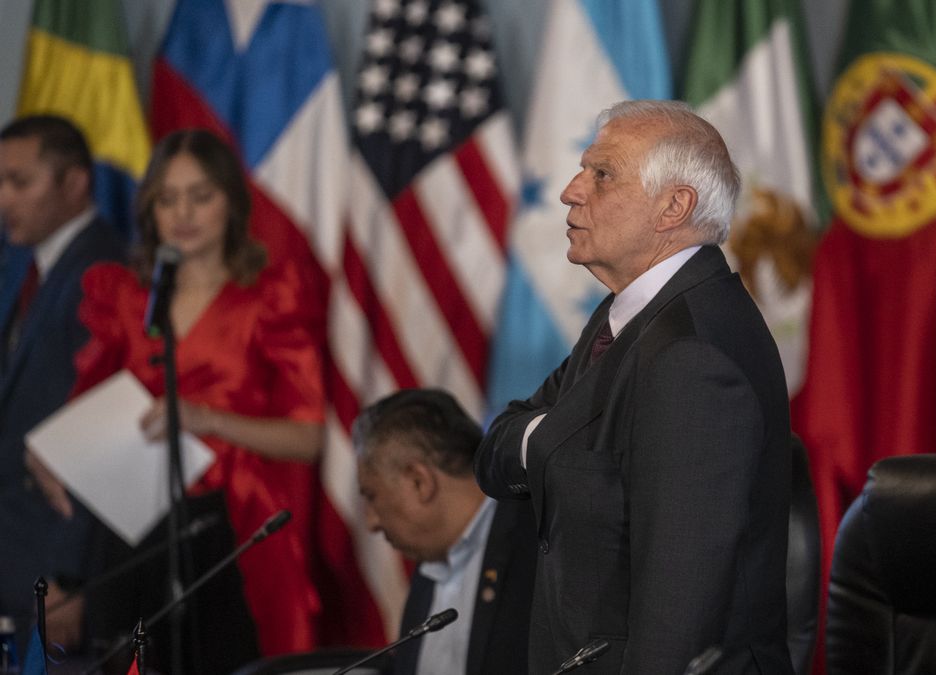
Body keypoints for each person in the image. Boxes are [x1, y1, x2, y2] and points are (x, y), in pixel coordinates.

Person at [475, 100, 793, 673]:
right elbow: (496, 451)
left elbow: (678, 615)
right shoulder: (628, 315)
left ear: (674, 206)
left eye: (602, 175)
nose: (570, 191)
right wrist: (555, 441)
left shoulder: (693, 355)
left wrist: (548, 438)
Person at [31, 129, 325, 666]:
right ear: (150, 210)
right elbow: (86, 412)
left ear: (231, 203)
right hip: (133, 527)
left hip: (237, 529)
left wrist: (206, 419)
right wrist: (51, 453)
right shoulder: (126, 297)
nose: (183, 213)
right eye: (167, 199)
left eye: (200, 196)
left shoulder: (269, 296)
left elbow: (308, 439)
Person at [0, 114, 126, 650]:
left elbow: (103, 432)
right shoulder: (24, 263)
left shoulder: (104, 274)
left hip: (53, 569)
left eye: (19, 182)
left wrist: (69, 577)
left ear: (74, 183)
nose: (3, 200)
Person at [354, 388, 536, 675]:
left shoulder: (537, 544)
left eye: (371, 496)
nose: (371, 523)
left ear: (419, 482)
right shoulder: (428, 562)